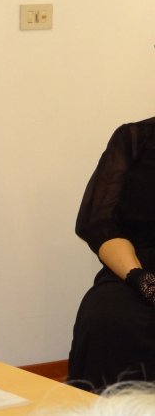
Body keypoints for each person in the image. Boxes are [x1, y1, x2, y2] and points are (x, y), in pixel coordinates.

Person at [68, 117, 155, 392]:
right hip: (136, 267)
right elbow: (99, 224)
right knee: (107, 319)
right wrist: (142, 280)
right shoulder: (135, 138)